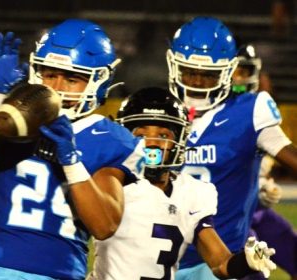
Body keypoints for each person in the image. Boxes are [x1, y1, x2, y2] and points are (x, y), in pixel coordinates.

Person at [0, 19, 141, 279]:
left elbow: (104, 225)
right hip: (0, 268)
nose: (57, 88)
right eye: (50, 75)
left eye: (72, 78)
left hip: (60, 272)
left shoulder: (110, 138)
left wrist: (71, 161)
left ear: (98, 81)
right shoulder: (18, 116)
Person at [88, 87, 277, 280]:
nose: (152, 143)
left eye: (163, 135)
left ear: (179, 140)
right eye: (141, 135)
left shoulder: (192, 192)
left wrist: (247, 261)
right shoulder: (110, 183)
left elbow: (221, 264)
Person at [164, 16, 297, 280]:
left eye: (208, 74)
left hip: (224, 258)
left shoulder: (250, 110)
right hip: (163, 256)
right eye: (190, 71)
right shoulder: (159, 113)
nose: (197, 82)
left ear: (226, 71)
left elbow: (291, 157)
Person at [232, 44, 297, 280]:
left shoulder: (258, 110)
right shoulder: (208, 115)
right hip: (232, 218)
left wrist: (261, 185)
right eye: (236, 71)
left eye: (244, 71)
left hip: (256, 211)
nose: (241, 78)